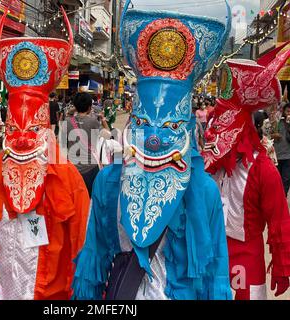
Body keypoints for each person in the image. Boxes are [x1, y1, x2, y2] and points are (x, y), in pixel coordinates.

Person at [72, 1, 232, 300]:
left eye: (170, 126)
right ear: (133, 121)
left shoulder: (205, 191)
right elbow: (93, 261)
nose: (155, 138)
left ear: (185, 128)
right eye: (145, 123)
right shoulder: (107, 183)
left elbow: (215, 274)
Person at [0, 8, 90, 300]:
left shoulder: (68, 177)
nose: (25, 139)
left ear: (47, 126)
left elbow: (83, 251)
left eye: (33, 129)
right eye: (16, 129)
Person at [202, 51, 290, 300]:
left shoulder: (263, 169)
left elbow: (279, 220)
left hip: (246, 266)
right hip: (210, 257)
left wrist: (282, 266)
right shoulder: (211, 163)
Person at [63, 92, 110, 196]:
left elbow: (61, 145)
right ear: (89, 107)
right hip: (91, 168)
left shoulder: (67, 122)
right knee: (90, 199)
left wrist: (73, 111)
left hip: (72, 169)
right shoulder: (93, 122)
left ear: (75, 106)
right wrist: (103, 119)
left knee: (75, 200)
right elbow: (108, 134)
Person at [273, 103, 290, 196]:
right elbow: (267, 135)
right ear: (283, 111)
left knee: (286, 179)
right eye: (287, 111)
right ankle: (276, 196)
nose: (288, 113)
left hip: (288, 156)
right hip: (277, 155)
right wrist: (273, 135)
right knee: (276, 178)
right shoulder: (277, 121)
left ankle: (283, 196)